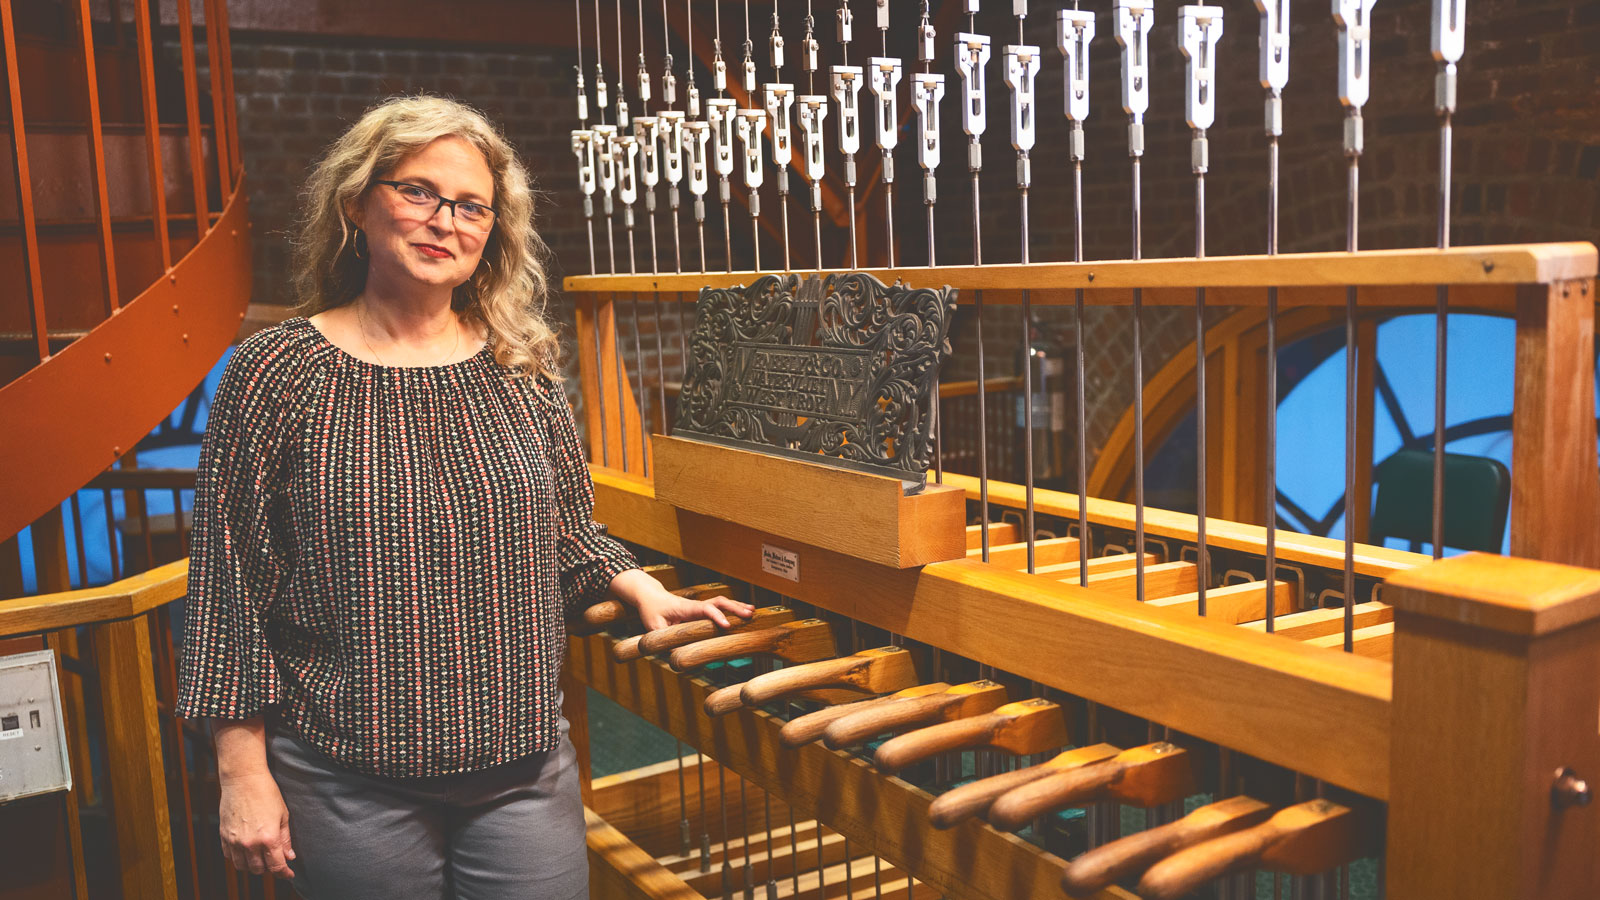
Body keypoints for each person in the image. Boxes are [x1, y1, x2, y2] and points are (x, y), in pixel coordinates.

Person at [176, 94, 751, 900]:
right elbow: (227, 589)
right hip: (349, 779)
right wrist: (242, 773)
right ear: (357, 203)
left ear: (492, 232)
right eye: (418, 191)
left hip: (522, 768)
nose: (445, 220)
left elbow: (566, 531)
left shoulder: (523, 367)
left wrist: (637, 584)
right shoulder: (276, 372)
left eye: (472, 206)